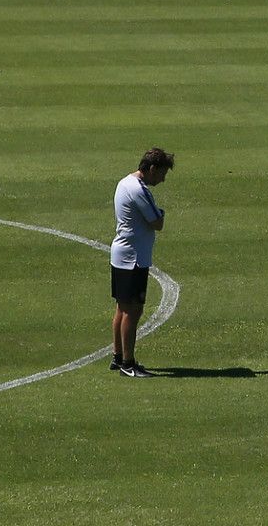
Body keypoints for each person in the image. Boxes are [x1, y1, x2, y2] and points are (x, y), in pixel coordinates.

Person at [110, 148, 174, 378]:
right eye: (162, 174)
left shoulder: (124, 182)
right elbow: (157, 222)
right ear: (152, 169)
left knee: (121, 308)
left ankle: (118, 357)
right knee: (133, 311)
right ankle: (128, 363)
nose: (163, 179)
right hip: (134, 259)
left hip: (121, 255)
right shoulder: (139, 190)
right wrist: (162, 214)